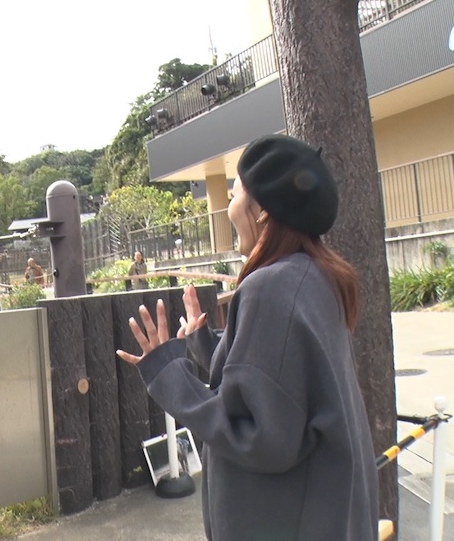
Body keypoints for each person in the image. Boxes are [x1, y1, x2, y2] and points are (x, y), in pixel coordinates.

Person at [116, 135, 379, 540]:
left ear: (261, 211)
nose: (228, 205)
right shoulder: (315, 276)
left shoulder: (270, 288)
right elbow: (281, 379)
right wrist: (203, 342)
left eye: (235, 192)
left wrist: (171, 376)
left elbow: (262, 437)